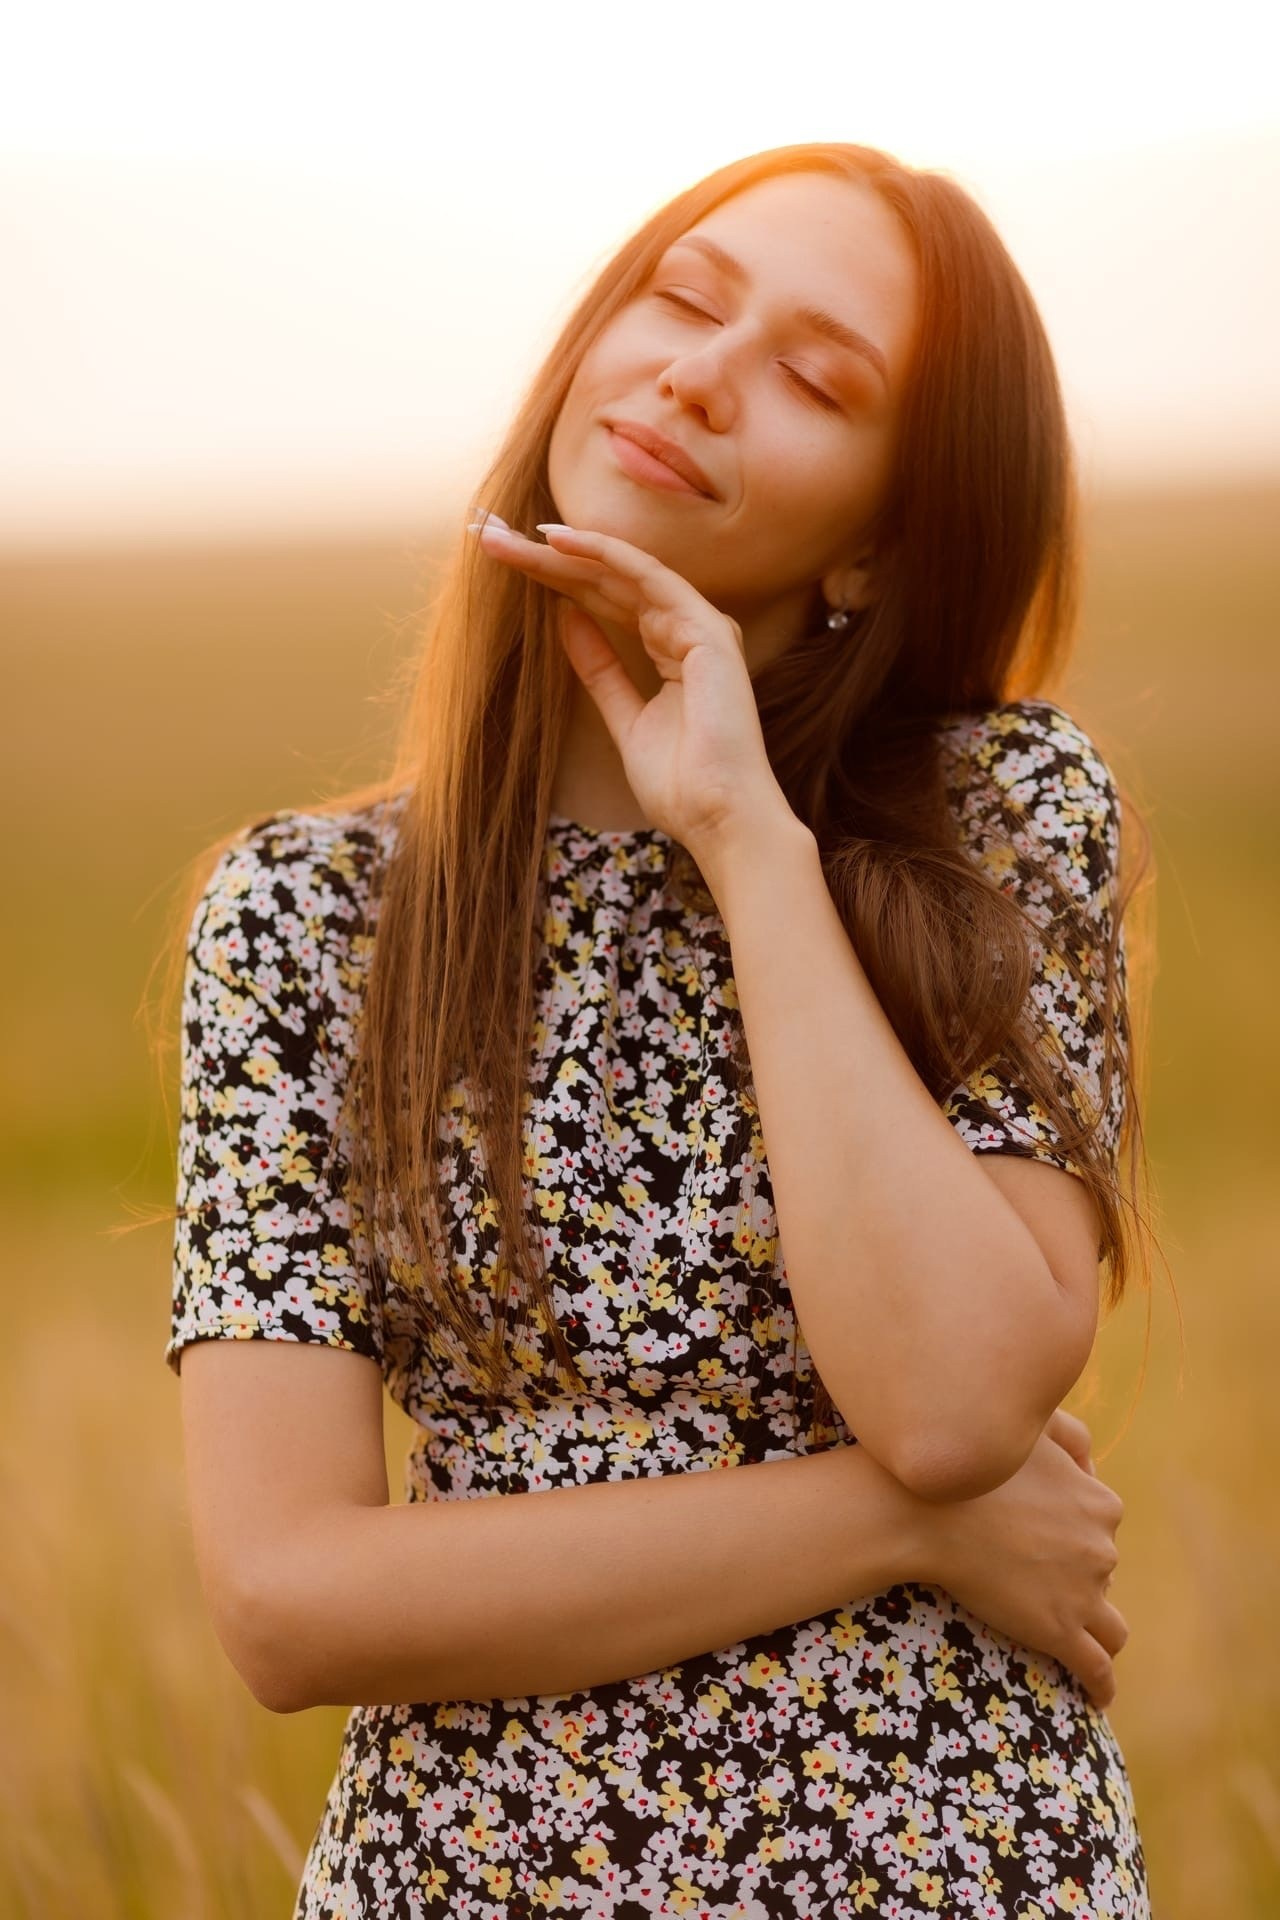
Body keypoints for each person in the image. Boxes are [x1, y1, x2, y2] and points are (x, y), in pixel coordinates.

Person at [167, 141, 1154, 1917]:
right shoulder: (309, 917)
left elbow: (950, 1403)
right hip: (473, 1879)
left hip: (947, 1868)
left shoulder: (998, 821)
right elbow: (288, 1599)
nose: (702, 370)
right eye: (686, 299)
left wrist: (747, 844)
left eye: (815, 375)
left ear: (875, 532)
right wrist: (899, 1527)